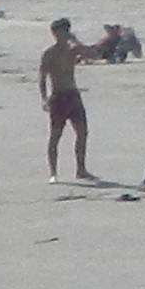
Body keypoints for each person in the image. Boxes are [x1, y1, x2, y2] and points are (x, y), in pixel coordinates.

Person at [36, 19, 94, 178]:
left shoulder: (73, 50)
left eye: (62, 32)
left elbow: (94, 55)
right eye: (56, 33)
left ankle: (81, 170)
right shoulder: (50, 53)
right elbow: (42, 77)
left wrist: (77, 42)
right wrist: (44, 98)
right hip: (58, 96)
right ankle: (53, 172)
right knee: (56, 135)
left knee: (82, 132)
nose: (58, 36)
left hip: (73, 94)